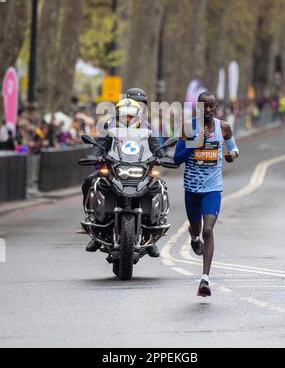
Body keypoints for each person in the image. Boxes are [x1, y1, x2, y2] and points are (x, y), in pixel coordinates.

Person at [174, 91, 239, 297]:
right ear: (198, 108)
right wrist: (193, 146)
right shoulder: (187, 127)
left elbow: (234, 149)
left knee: (208, 230)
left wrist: (231, 156)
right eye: (204, 106)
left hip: (212, 188)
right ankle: (193, 237)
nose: (208, 110)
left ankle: (204, 280)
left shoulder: (224, 127)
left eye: (212, 106)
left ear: (216, 106)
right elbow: (176, 159)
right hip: (192, 189)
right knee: (196, 228)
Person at [82, 97, 162, 257]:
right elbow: (101, 143)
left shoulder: (147, 128)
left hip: (140, 168)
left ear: (138, 115)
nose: (128, 118)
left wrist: (163, 155)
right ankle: (94, 225)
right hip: (115, 168)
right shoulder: (109, 127)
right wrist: (93, 154)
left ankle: (151, 237)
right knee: (90, 182)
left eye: (131, 115)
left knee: (158, 185)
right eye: (124, 115)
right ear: (117, 115)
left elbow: (155, 146)